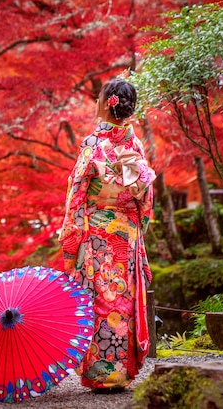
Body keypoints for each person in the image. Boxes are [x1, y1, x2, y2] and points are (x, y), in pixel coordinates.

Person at [58, 78, 156, 392]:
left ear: (105, 103)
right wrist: (136, 226)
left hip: (97, 235)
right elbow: (145, 198)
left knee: (99, 301)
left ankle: (100, 374)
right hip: (125, 235)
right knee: (123, 303)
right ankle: (121, 373)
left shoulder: (92, 144)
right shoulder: (135, 146)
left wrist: (72, 239)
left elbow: (77, 193)